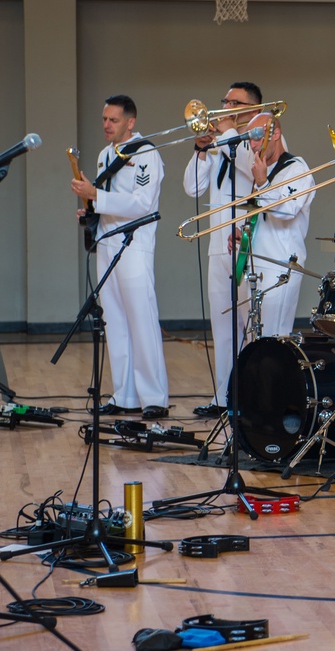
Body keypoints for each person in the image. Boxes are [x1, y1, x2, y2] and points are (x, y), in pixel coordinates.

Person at [71, 94, 169, 421]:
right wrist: (90, 208)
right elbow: (108, 200)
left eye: (113, 120)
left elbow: (142, 203)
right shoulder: (103, 155)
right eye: (103, 119)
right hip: (107, 243)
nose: (106, 125)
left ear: (130, 122)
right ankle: (124, 394)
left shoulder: (145, 154)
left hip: (135, 244)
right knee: (114, 321)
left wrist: (96, 195)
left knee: (141, 319)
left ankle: (154, 396)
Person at [183, 82, 261, 418]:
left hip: (248, 245)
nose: (225, 108)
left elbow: (254, 171)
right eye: (224, 102)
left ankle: (251, 395)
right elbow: (192, 188)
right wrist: (200, 150)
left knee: (249, 324)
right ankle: (223, 397)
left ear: (252, 108)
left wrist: (229, 136)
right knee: (222, 325)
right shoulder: (220, 144)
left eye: (234, 102)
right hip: (218, 245)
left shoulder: (260, 137)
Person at [229, 112, 315, 336]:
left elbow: (286, 211)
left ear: (275, 133)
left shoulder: (297, 169)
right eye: (249, 139)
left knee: (273, 340)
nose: (253, 144)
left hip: (280, 267)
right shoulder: (265, 171)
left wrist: (261, 182)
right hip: (255, 265)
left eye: (257, 136)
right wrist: (245, 233)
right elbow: (262, 214)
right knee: (253, 342)